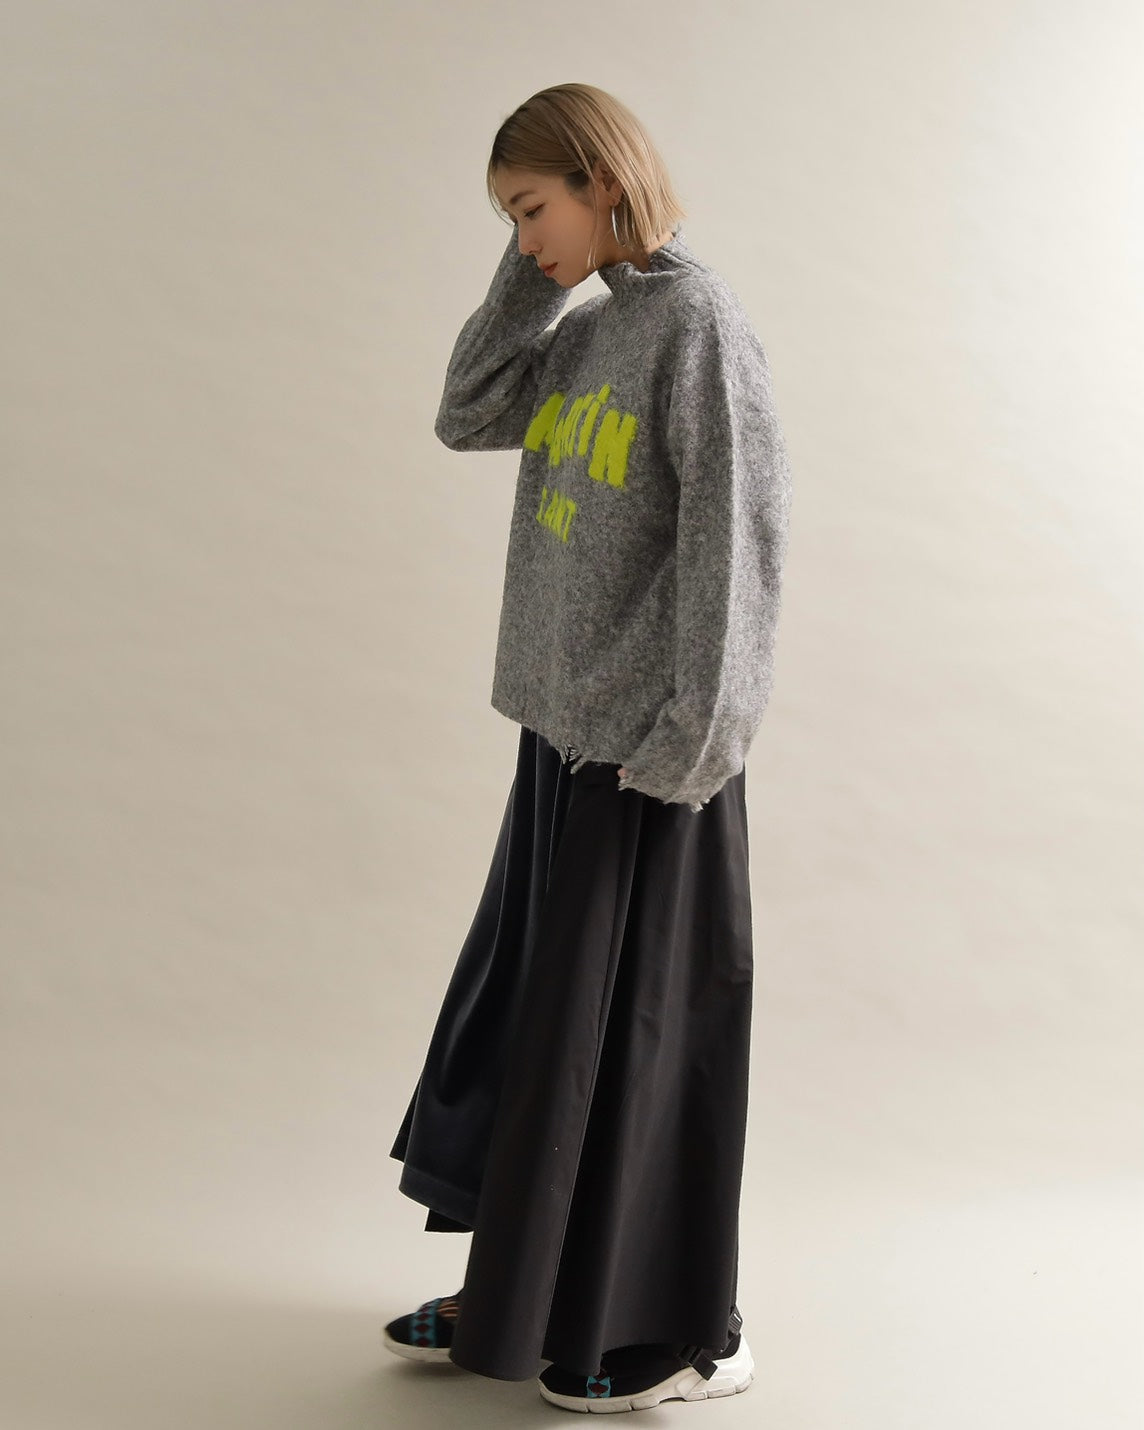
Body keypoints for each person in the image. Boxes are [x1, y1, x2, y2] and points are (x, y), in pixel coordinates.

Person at [383, 81, 793, 1413]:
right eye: (510, 221)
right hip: (563, 743)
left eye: (530, 210)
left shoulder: (698, 325)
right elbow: (466, 409)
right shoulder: (592, 326)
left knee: (634, 1053)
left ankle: (678, 1333)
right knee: (539, 1040)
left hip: (653, 759)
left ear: (601, 180)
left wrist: (694, 745)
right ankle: (528, 1285)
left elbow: (737, 543)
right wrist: (529, 279)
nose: (523, 239)